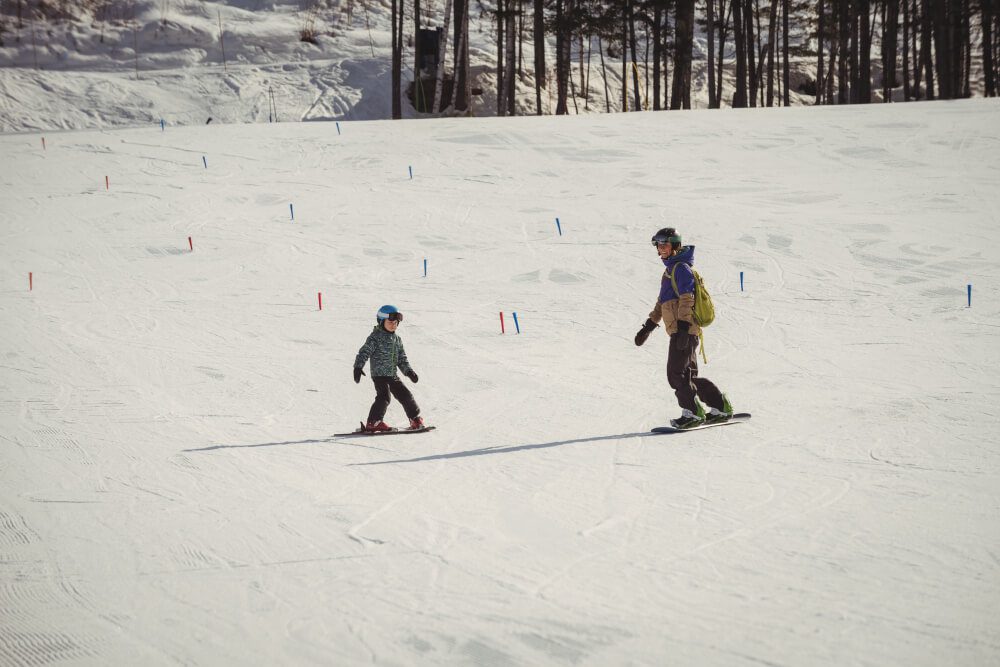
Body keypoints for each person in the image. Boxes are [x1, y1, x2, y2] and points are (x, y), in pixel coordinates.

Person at [634, 227, 733, 429]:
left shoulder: (680, 268)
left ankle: (692, 412)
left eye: (665, 244)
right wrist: (648, 327)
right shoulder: (670, 271)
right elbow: (662, 303)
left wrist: (683, 328)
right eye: (658, 245)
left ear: (676, 246)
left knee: (676, 375)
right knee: (689, 377)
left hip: (684, 331)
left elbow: (688, 299)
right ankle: (720, 406)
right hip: (683, 331)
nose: (660, 248)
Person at [353, 305, 424, 432]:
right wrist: (358, 367)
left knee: (406, 396)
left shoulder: (397, 339)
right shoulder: (375, 337)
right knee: (384, 397)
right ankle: (374, 422)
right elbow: (364, 352)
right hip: (379, 376)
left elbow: (402, 358)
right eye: (390, 322)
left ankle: (415, 419)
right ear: (381, 321)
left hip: (393, 375)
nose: (393, 325)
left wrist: (409, 371)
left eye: (396, 322)